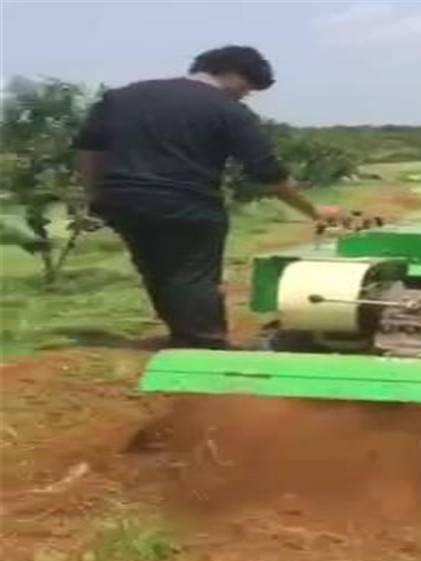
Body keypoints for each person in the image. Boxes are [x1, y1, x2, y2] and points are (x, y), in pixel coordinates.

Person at [73, 45, 341, 349]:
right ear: (233, 73)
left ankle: (183, 335)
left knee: (156, 268)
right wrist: (313, 210)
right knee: (192, 274)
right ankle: (205, 345)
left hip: (124, 200)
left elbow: (88, 151)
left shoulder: (120, 97)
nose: (245, 95)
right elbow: (267, 172)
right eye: (248, 88)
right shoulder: (227, 109)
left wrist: (97, 196)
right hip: (187, 203)